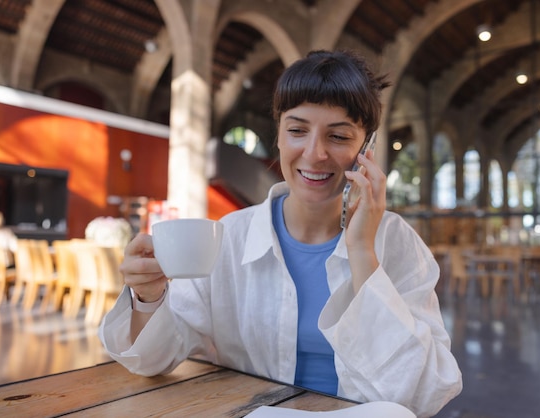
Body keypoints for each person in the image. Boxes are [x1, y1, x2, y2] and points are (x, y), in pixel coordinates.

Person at [99, 49, 462, 417]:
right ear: (279, 136)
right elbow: (150, 360)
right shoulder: (229, 237)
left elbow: (423, 394)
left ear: (366, 149)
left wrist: (362, 251)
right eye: (297, 131)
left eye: (338, 136)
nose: (315, 153)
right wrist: (147, 296)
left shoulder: (398, 243)